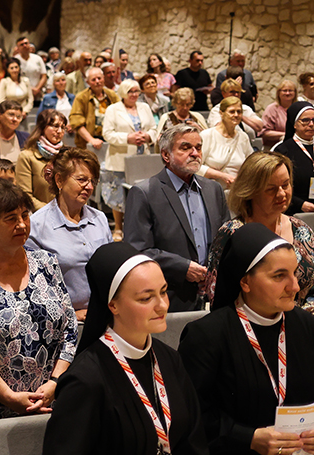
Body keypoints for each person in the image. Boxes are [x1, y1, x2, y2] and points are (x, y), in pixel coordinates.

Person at [43, 243, 207, 455]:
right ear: (113, 305)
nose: (162, 305)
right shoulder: (85, 379)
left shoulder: (170, 360)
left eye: (164, 292)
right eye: (146, 298)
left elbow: (193, 440)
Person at [178, 223, 314, 455]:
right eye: (279, 276)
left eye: (294, 273)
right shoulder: (206, 336)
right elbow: (191, 415)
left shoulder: (307, 326)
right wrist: (248, 438)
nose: (294, 286)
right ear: (245, 282)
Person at [0, 179, 77, 421]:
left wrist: (55, 382)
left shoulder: (46, 263)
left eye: (25, 215)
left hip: (52, 402)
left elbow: (69, 331)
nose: (21, 224)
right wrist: (8, 396)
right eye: (10, 218)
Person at [124, 124, 230, 311]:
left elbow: (226, 240)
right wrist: (182, 268)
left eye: (198, 147)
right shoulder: (145, 192)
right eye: (185, 147)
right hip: (170, 294)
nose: (195, 153)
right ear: (166, 155)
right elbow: (137, 249)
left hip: (214, 294)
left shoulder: (214, 190)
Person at [203, 151, 314, 309]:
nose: (282, 193)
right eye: (271, 189)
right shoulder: (233, 233)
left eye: (285, 185)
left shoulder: (302, 230)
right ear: (250, 191)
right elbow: (218, 295)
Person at [29, 148, 112, 318]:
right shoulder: (37, 225)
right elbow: (35, 289)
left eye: (92, 181)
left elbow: (113, 268)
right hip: (63, 323)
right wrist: (71, 313)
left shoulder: (100, 218)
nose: (89, 187)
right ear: (59, 180)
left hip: (106, 316)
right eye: (81, 180)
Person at [102, 80, 157, 240]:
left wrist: (147, 136)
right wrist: (128, 138)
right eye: (131, 91)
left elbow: (153, 128)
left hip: (142, 157)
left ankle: (141, 226)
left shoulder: (144, 107)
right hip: (120, 157)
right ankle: (118, 227)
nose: (134, 94)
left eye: (136, 91)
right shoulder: (113, 109)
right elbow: (108, 133)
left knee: (141, 193)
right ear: (124, 93)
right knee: (119, 194)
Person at [199, 97, 255, 189]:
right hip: (211, 189)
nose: (236, 115)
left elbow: (251, 165)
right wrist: (222, 176)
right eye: (232, 112)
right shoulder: (207, 135)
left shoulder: (243, 137)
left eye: (239, 112)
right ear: (221, 113)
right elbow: (196, 166)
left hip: (235, 190)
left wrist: (239, 178)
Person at [16, 109, 67, 211]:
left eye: (63, 127)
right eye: (55, 126)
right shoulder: (27, 156)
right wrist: (53, 211)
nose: (60, 131)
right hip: (41, 216)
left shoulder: (67, 156)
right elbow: (25, 196)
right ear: (42, 127)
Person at [274, 101, 314, 214]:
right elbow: (277, 186)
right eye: (305, 120)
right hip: (294, 211)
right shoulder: (282, 150)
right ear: (294, 124)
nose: (311, 124)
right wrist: (300, 204)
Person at [69, 67, 120, 151]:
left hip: (111, 141)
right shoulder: (81, 97)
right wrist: (91, 140)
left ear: (103, 78)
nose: (97, 81)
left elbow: (121, 114)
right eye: (93, 80)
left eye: (99, 78)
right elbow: (76, 122)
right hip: (88, 143)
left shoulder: (112, 95)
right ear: (87, 82)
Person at [262, 80, 299, 149]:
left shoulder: (299, 108)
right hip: (273, 148)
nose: (287, 93)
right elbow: (265, 133)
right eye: (284, 90)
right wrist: (286, 135)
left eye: (290, 90)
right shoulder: (271, 109)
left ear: (295, 93)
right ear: (278, 93)